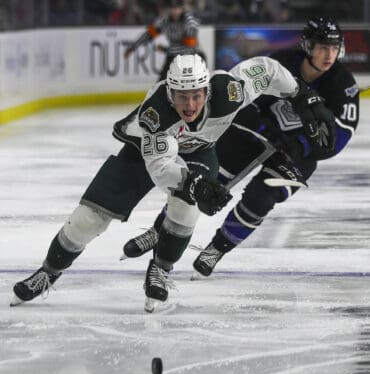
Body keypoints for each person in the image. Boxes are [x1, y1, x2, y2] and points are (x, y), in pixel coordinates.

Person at [11, 52, 333, 313]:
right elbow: (161, 168)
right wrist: (193, 184)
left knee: (185, 211)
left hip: (200, 152)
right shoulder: (156, 114)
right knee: (88, 218)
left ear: (207, 90)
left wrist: (302, 95)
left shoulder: (229, 91)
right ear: (169, 93)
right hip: (142, 153)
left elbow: (267, 68)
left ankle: (161, 270)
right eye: (181, 97)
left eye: (196, 95)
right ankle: (48, 273)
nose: (190, 105)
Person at [122, 17, 359, 279]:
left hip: (298, 154)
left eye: (334, 48)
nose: (329, 54)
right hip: (254, 134)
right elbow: (245, 102)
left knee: (262, 198)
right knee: (203, 180)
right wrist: (263, 130)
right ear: (308, 45)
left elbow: (339, 136)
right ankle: (159, 231)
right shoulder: (282, 62)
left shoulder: (343, 84)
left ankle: (216, 249)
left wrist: (298, 145)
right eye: (322, 47)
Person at [124, 0, 203, 81]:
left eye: (177, 8)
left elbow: (190, 45)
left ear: (182, 9)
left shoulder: (189, 21)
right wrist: (132, 47)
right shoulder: (164, 21)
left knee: (190, 84)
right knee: (160, 85)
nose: (175, 11)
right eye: (172, 9)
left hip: (190, 57)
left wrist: (165, 49)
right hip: (173, 56)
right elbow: (148, 35)